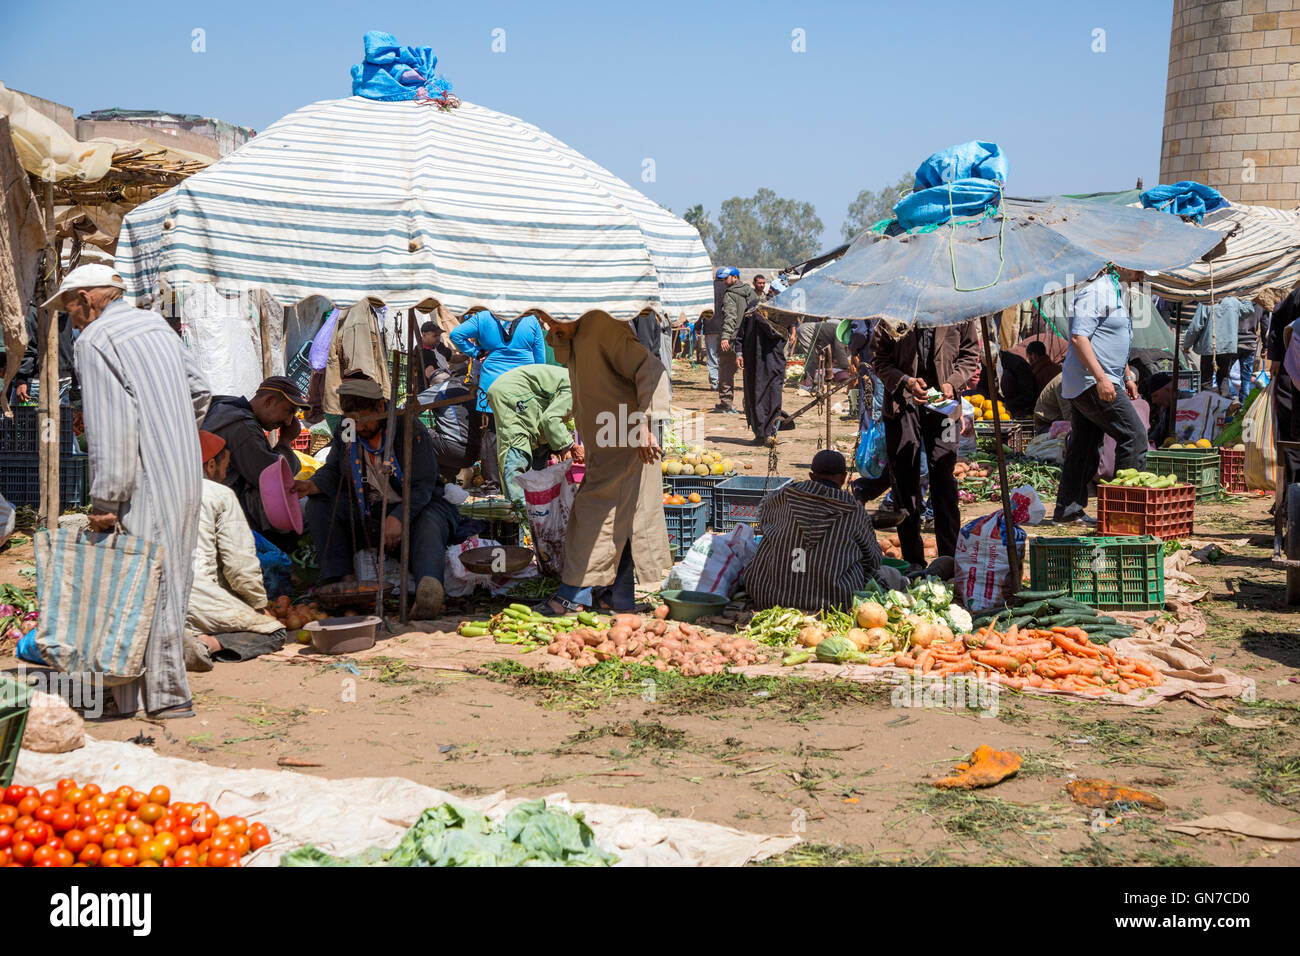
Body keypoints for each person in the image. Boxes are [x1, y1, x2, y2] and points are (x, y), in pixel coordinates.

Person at [47, 263, 210, 719]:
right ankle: (142, 694)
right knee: (173, 578)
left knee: (143, 585)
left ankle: (161, 698)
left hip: (143, 478)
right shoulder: (155, 324)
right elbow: (200, 391)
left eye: (68, 307)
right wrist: (173, 430)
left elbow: (111, 428)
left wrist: (105, 502)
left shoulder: (95, 340)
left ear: (88, 297)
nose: (70, 317)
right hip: (184, 471)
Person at [535, 310, 671, 615]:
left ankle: (570, 596)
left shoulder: (603, 326)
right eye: (544, 320)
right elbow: (562, 354)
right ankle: (616, 598)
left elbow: (650, 369)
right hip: (604, 442)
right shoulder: (576, 330)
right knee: (620, 517)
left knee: (591, 514)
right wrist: (559, 329)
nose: (550, 326)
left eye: (552, 317)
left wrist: (646, 425)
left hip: (626, 439)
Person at [297, 376, 460, 619]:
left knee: (427, 522)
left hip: (418, 507)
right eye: (353, 421)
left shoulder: (408, 428)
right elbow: (334, 470)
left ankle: (429, 589)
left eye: (364, 419)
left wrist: (398, 517)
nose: (359, 428)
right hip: (369, 512)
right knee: (319, 506)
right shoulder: (348, 428)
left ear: (381, 407)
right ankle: (344, 583)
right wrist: (312, 485)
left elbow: (422, 486)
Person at [872, 317, 980, 566]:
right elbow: (880, 360)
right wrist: (906, 382)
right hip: (903, 404)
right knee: (905, 481)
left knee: (944, 478)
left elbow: (969, 355)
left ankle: (948, 559)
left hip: (945, 405)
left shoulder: (958, 312)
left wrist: (952, 383)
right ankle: (913, 560)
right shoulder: (894, 314)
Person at [1054, 266, 1147, 525]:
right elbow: (1079, 338)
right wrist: (1102, 379)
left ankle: (1068, 511)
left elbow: (1111, 338)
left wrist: (1127, 375)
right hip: (1090, 381)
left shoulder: (1116, 291)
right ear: (1119, 265)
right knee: (1133, 434)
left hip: (1103, 379)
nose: (1143, 275)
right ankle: (1123, 513)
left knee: (1084, 446)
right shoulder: (1095, 292)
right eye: (1139, 268)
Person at [185, 431, 285, 667]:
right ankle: (204, 643)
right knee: (273, 632)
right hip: (192, 594)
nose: (225, 474)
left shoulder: (152, 492)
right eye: (225, 466)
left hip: (144, 594)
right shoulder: (219, 494)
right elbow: (240, 566)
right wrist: (259, 605)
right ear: (210, 465)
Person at [745, 451, 884, 611]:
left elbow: (762, 518)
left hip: (769, 595)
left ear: (811, 476)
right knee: (887, 575)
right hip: (833, 600)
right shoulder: (854, 511)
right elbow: (873, 560)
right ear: (844, 477)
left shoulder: (781, 497)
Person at [201, 375, 311, 553]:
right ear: (269, 401)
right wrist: (285, 441)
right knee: (311, 509)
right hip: (227, 512)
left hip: (216, 503)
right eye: (289, 411)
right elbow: (276, 481)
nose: (289, 422)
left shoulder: (227, 409)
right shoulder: (242, 426)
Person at [448, 308, 546, 492]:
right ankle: (522, 482)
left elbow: (456, 335)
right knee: (523, 432)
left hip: (492, 386)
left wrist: (476, 352)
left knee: (491, 434)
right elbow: (540, 359)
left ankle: (493, 485)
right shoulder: (531, 320)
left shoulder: (483, 317)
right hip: (523, 386)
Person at [486, 363, 578, 504]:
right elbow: (551, 419)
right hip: (511, 392)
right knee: (517, 444)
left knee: (539, 443)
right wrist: (569, 446)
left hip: (528, 395)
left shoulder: (579, 386)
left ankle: (536, 505)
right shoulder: (577, 387)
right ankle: (521, 511)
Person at [738, 291, 786, 445]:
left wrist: (739, 352)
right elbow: (741, 334)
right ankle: (765, 434)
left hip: (763, 360)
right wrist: (739, 353)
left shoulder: (752, 311)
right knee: (765, 395)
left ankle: (764, 433)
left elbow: (740, 335)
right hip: (764, 361)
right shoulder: (763, 312)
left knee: (761, 395)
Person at [11, 304, 76, 405]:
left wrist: (21, 379)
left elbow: (27, 347)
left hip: (36, 380)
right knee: (57, 419)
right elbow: (70, 342)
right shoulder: (64, 309)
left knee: (22, 419)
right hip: (63, 378)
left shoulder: (32, 310)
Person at [710, 267, 745, 414]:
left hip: (731, 338)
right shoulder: (749, 292)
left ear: (735, 278)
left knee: (725, 370)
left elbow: (730, 318)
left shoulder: (730, 294)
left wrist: (725, 337)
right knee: (748, 373)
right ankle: (749, 404)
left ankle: (726, 402)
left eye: (726, 278)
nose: (724, 281)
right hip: (746, 337)